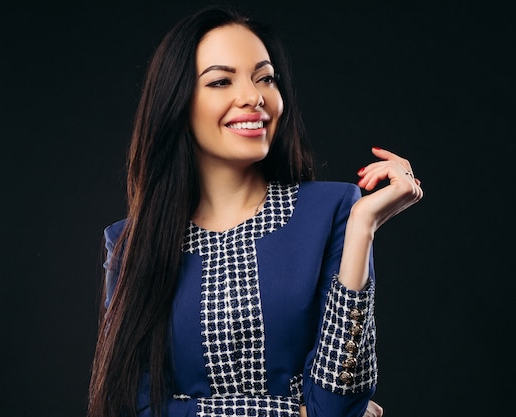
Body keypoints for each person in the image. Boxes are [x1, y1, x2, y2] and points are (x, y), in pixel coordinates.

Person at [87, 4, 422, 417]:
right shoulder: (130, 242)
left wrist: (363, 226)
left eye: (265, 78)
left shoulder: (335, 211)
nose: (253, 97)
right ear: (177, 101)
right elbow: (131, 408)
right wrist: (286, 413)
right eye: (221, 81)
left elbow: (336, 407)